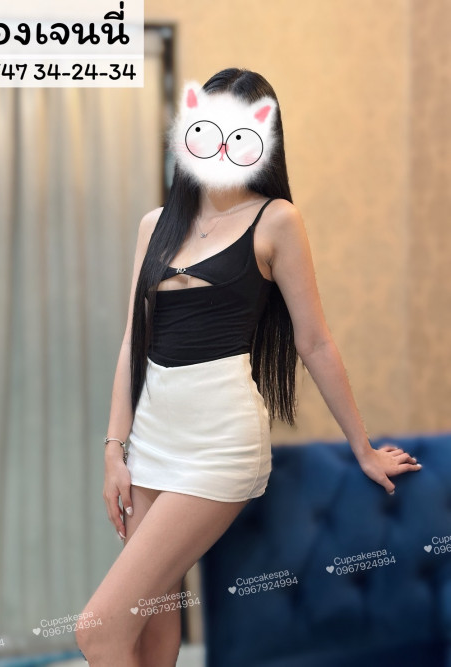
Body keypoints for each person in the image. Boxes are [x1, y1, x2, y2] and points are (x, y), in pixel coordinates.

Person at [75, 67, 421, 667]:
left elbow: (315, 343)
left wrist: (362, 449)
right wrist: (114, 449)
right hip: (152, 442)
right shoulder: (156, 225)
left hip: (219, 446)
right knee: (148, 630)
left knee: (97, 631)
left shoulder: (276, 219)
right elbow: (134, 340)